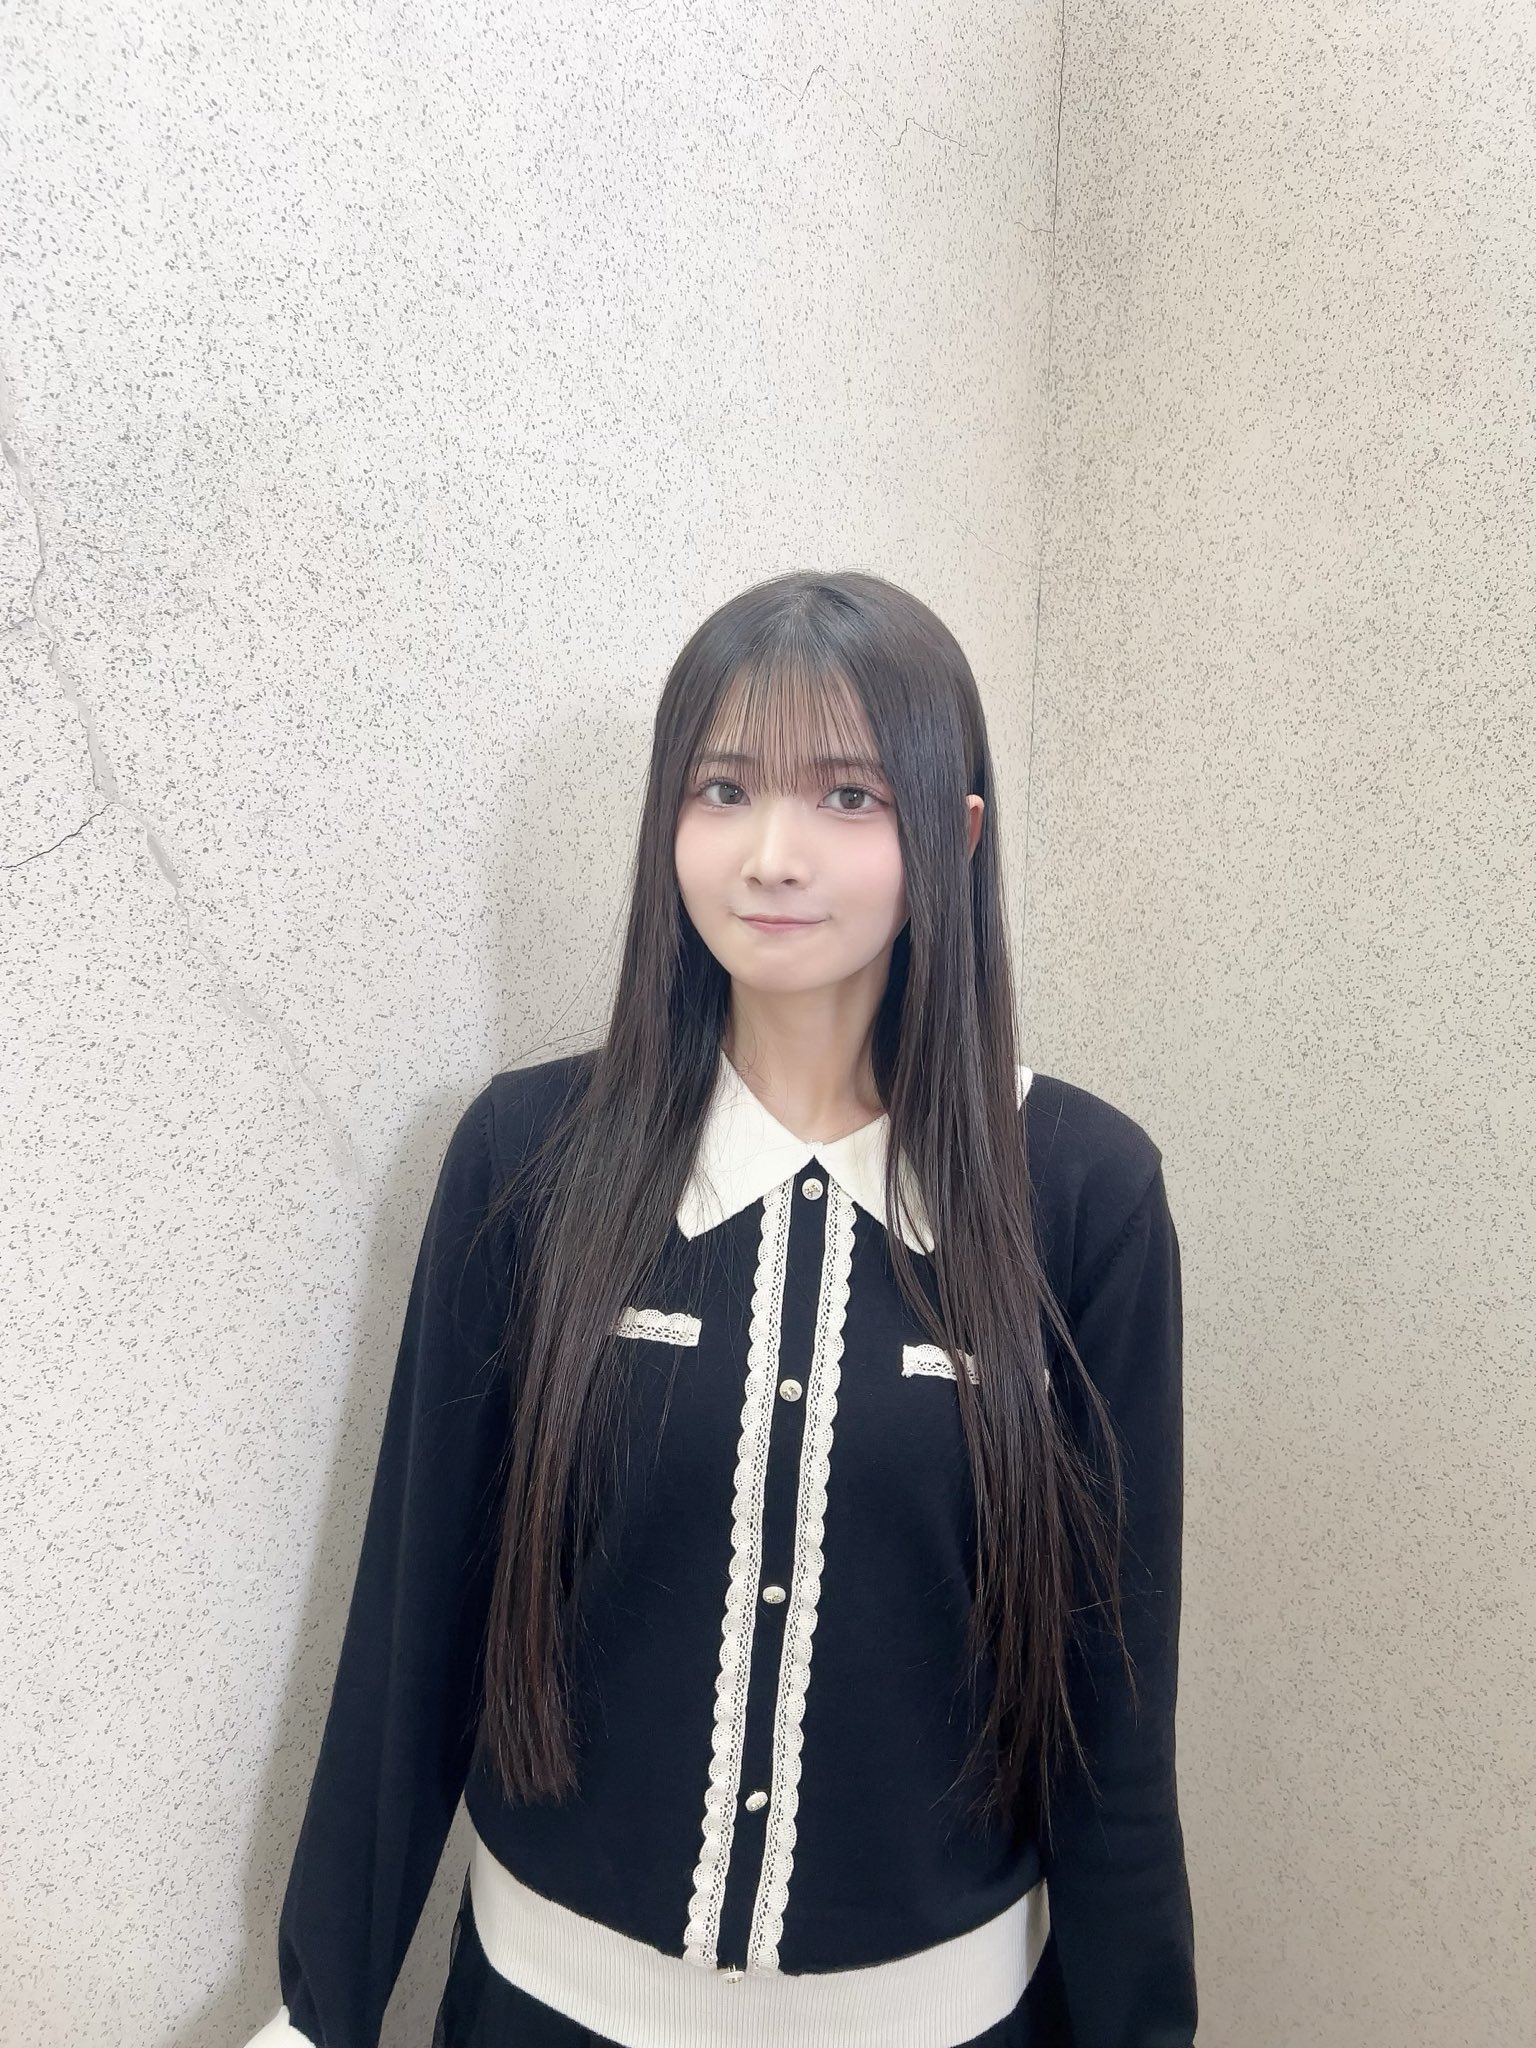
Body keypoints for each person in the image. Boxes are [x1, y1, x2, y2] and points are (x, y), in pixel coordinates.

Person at [244, 570, 1197, 2048]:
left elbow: (1111, 1707)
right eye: (724, 789)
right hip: (543, 2010)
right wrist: (322, 2010)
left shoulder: (1083, 1192)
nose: (772, 854)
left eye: (847, 795)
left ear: (953, 837)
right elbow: (415, 1621)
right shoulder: (527, 1157)